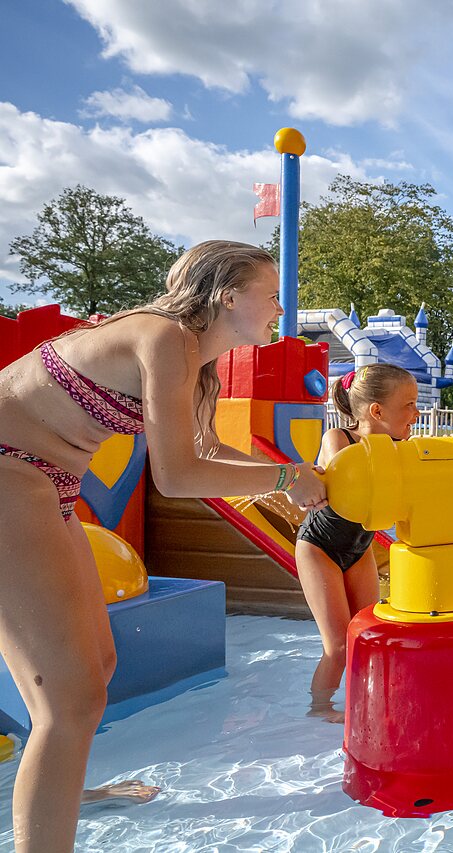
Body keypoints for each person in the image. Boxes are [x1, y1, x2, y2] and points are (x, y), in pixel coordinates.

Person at [0, 240, 327, 853]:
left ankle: (63, 790)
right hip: (8, 474)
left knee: (93, 674)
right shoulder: (166, 337)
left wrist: (290, 483)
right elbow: (176, 477)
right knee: (68, 702)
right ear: (229, 295)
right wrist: (284, 478)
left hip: (47, 480)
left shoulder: (196, 364)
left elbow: (207, 452)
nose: (283, 308)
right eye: (273, 294)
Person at [295, 363, 419, 723]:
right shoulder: (339, 440)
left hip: (358, 548)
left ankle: (371, 703)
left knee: (370, 637)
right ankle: (318, 711)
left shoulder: (399, 447)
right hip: (320, 547)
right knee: (337, 646)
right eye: (408, 404)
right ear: (377, 411)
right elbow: (350, 489)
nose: (416, 412)